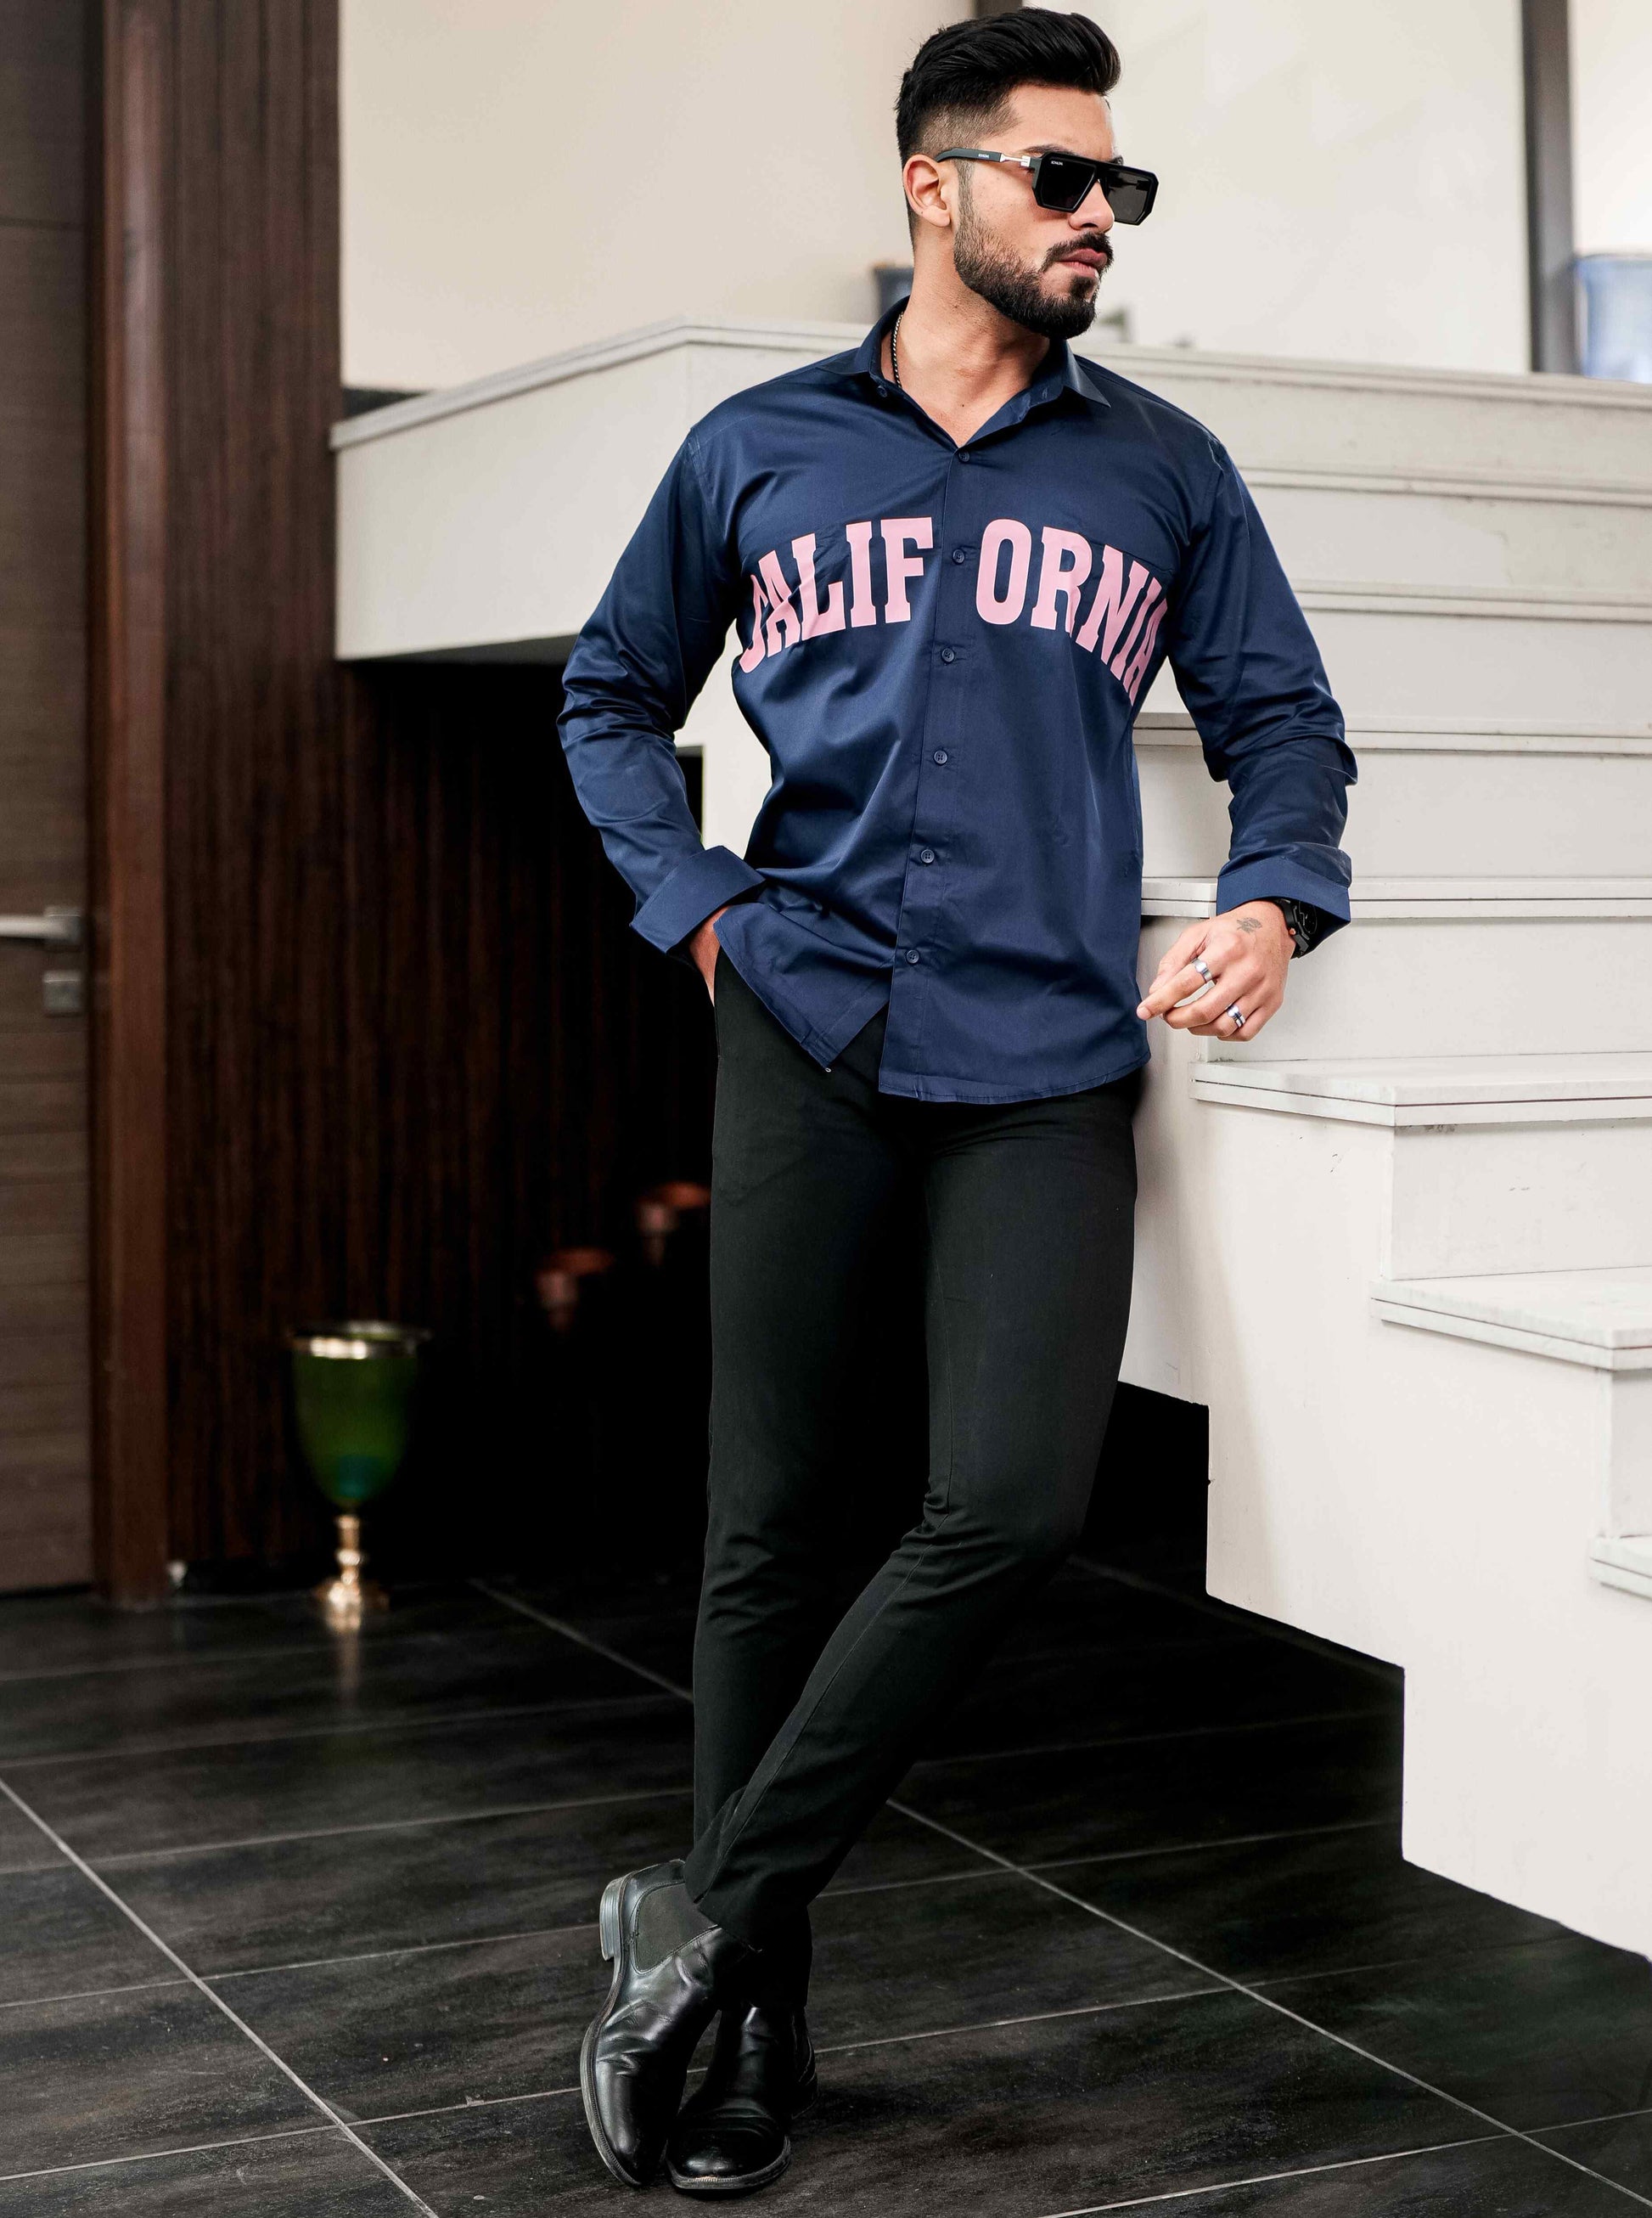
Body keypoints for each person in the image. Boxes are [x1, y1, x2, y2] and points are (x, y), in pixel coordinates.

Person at [558, 8, 1355, 2195]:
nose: (1102, 218)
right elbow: (612, 692)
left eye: (1123, 187)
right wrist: (701, 909)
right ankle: (754, 2027)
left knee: (1007, 1501)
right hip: (802, 1020)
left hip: (1043, 1055)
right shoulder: (754, 450)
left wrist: (1278, 893)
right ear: (934, 184)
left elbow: (1284, 718)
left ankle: (696, 1925)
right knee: (768, 1531)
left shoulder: (1163, 470)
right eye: (1061, 179)